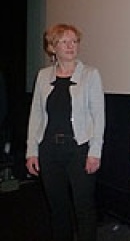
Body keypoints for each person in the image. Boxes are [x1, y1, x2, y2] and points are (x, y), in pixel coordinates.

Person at [25, 23, 105, 241]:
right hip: (49, 150)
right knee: (58, 208)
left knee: (84, 207)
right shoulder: (43, 76)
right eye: (64, 41)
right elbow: (36, 116)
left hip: (79, 149)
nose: (71, 46)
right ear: (52, 47)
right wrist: (32, 151)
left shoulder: (90, 75)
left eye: (74, 41)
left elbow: (99, 117)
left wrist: (95, 152)